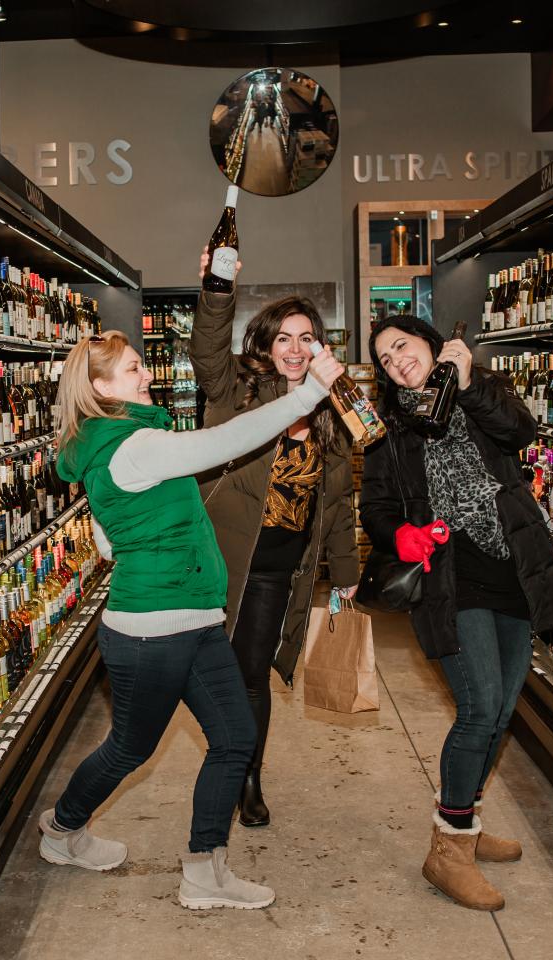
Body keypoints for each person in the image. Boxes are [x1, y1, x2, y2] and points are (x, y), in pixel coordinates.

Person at [40, 329, 345, 910]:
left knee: (234, 737)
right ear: (103, 388)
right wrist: (305, 396)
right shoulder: (135, 445)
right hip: (153, 631)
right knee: (131, 749)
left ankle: (205, 870)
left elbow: (107, 545)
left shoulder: (108, 449)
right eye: (133, 370)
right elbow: (226, 441)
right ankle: (62, 830)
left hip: (191, 620)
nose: (146, 375)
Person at [359, 316, 553, 912]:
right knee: (479, 708)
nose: (396, 360)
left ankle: (464, 823)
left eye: (402, 345)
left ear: (431, 343)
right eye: (384, 357)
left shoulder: (484, 391)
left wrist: (468, 380)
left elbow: (519, 433)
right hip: (452, 581)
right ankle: (448, 849)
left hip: (514, 570)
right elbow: (374, 506)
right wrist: (399, 534)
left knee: (504, 708)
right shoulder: (388, 429)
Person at [189, 251, 359, 828]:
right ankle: (227, 758)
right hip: (220, 561)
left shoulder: (334, 411)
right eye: (282, 337)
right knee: (207, 675)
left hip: (276, 572)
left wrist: (348, 573)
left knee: (252, 675)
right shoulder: (235, 390)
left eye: (305, 337)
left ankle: (247, 774)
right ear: (264, 344)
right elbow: (207, 349)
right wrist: (217, 290)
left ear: (319, 349)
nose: (293, 348)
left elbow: (336, 502)